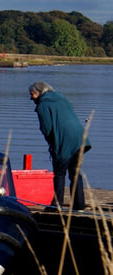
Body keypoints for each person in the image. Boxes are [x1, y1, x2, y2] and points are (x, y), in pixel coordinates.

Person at [29, 81, 91, 209]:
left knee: (59, 173)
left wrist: (53, 145)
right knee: (75, 172)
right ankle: (79, 205)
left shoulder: (43, 105)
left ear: (39, 92)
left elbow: (46, 128)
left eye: (33, 94)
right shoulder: (62, 98)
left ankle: (56, 205)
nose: (31, 98)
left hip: (64, 141)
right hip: (81, 139)